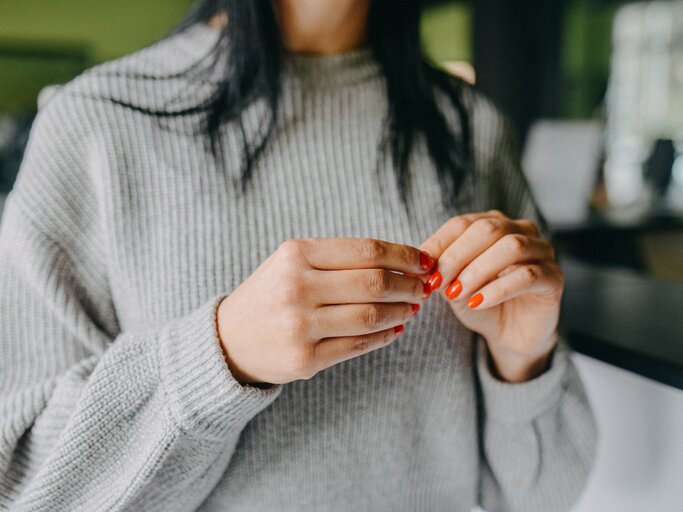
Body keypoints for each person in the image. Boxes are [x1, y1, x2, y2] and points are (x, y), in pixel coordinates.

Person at [0, 0, 597, 510]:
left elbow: (542, 497)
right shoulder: (95, 125)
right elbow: (24, 483)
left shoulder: (472, 129)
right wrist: (220, 357)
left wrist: (523, 359)